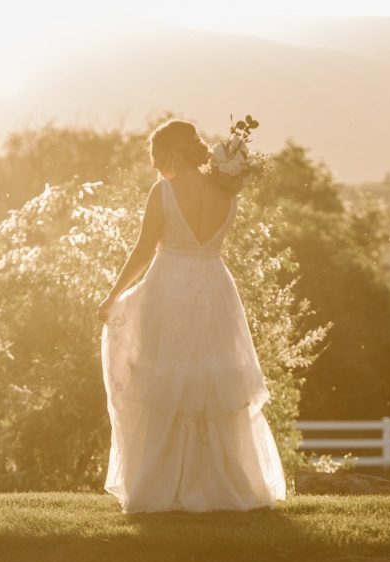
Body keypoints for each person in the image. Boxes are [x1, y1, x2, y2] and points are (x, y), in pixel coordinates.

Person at [97, 118, 287, 514]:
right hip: (215, 287)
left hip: (169, 289)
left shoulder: (163, 191)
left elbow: (144, 249)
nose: (155, 167)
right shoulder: (226, 190)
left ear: (170, 152)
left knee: (166, 381)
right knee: (212, 383)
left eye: (156, 157)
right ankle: (219, 483)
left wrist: (113, 295)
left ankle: (167, 485)